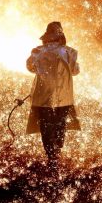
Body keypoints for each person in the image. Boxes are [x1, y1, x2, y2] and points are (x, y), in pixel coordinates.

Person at [26, 21, 80, 170]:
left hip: (43, 95)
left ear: (46, 37)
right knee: (60, 123)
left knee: (46, 124)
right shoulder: (69, 52)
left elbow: (30, 67)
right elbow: (75, 71)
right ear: (61, 36)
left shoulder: (37, 51)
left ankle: (50, 155)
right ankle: (57, 152)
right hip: (63, 96)